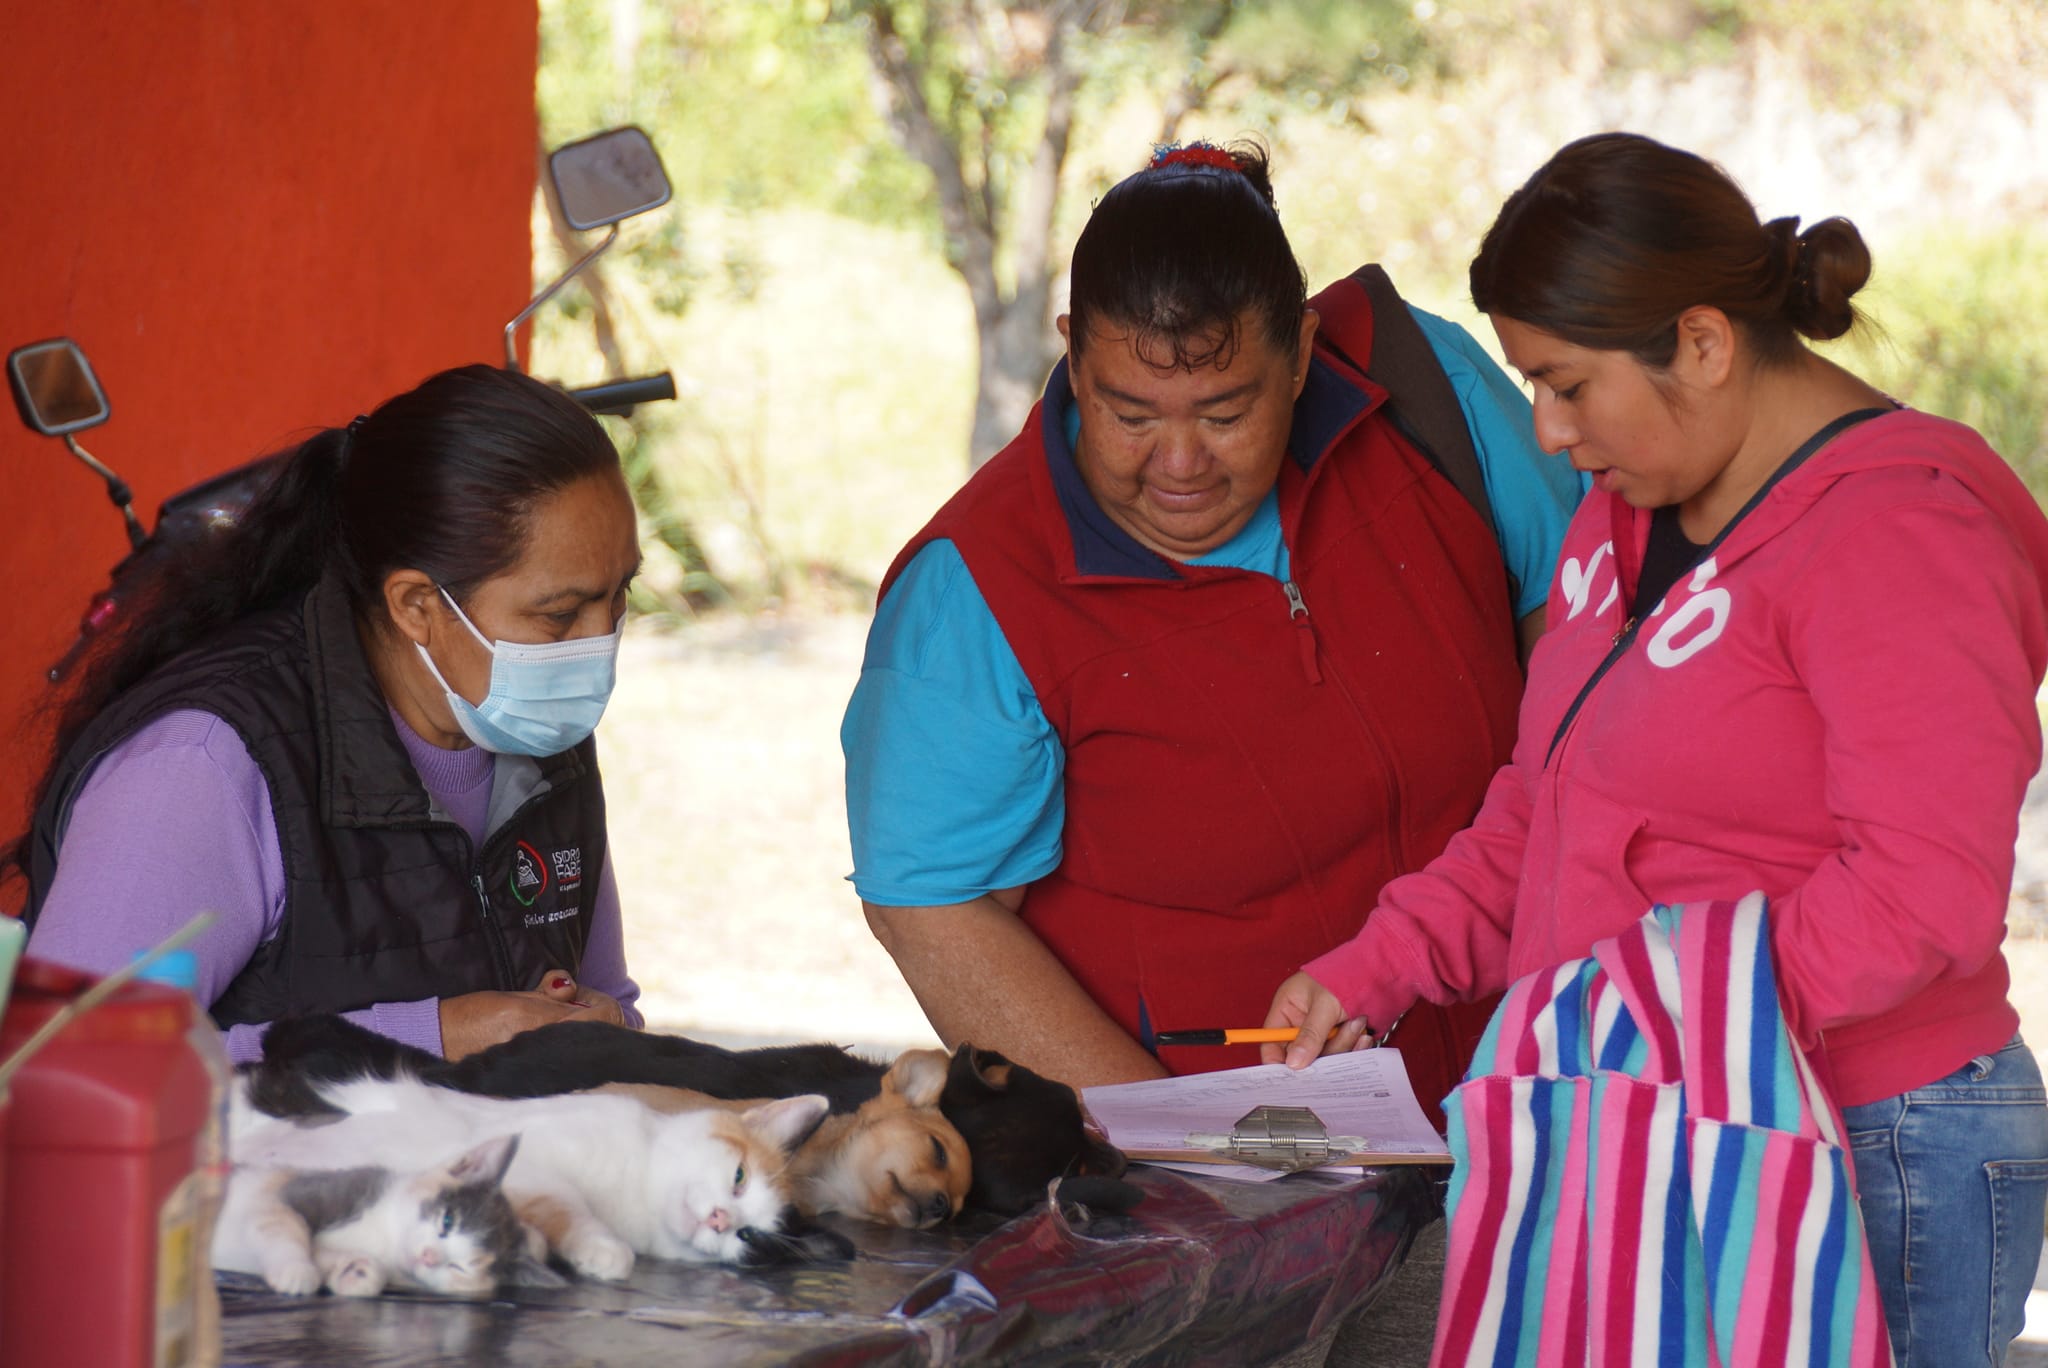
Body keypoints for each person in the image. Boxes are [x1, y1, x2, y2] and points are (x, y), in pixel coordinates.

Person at [1265, 131, 2048, 1367]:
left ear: (1699, 340)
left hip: (1865, 1135)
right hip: (1654, 1109)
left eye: (1566, 384)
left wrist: (1639, 1004)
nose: (1546, 432)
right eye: (1531, 385)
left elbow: (1920, 894)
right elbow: (1547, 802)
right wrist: (1377, 967)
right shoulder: (1623, 516)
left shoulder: (1904, 531)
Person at [841, 140, 1585, 1110]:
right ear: (1073, 348)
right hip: (1246, 1165)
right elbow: (932, 907)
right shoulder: (976, 591)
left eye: (1225, 412)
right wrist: (1168, 1155)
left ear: (1302, 354)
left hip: (1534, 1086)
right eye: (1130, 414)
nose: (1180, 462)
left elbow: (1575, 639)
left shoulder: (1420, 389)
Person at [12, 364, 645, 1063]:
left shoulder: (542, 735)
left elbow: (611, 1003)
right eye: (560, 615)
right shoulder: (202, 768)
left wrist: (595, 1028)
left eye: (619, 596)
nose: (601, 641)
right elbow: (71, 1070)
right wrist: (428, 1040)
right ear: (416, 606)